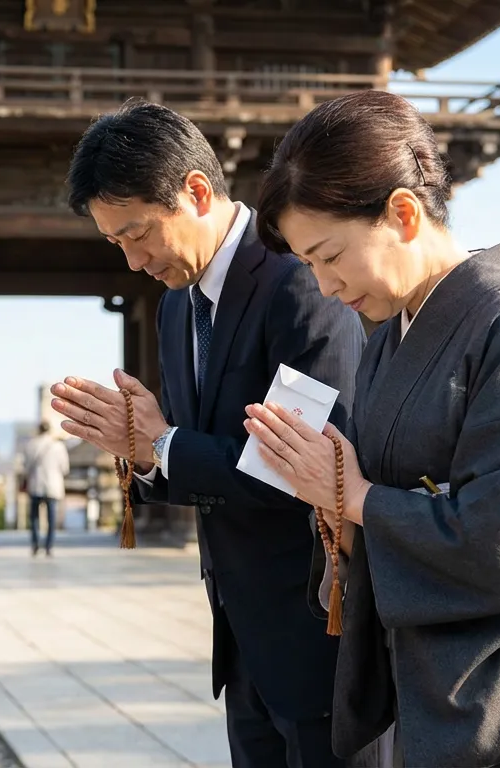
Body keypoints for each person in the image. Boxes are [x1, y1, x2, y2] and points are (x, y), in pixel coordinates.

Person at [243, 90, 500, 767]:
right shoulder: (389, 341)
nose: (325, 285)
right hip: (441, 690)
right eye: (308, 265)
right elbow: (377, 504)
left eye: (330, 255)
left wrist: (358, 499)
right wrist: (335, 508)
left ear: (402, 213)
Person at [48, 101, 371, 768]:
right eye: (117, 245)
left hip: (316, 628)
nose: (135, 262)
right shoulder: (176, 305)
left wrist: (161, 445)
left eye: (138, 234)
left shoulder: (297, 284)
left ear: (195, 192)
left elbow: (301, 472)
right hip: (240, 631)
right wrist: (142, 456)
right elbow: (199, 460)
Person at [22, 422, 71, 556]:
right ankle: (49, 546)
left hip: (35, 483)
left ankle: (35, 544)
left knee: (34, 518)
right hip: (53, 484)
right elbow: (65, 468)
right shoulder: (58, 446)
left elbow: (26, 466)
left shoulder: (31, 445)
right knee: (51, 517)